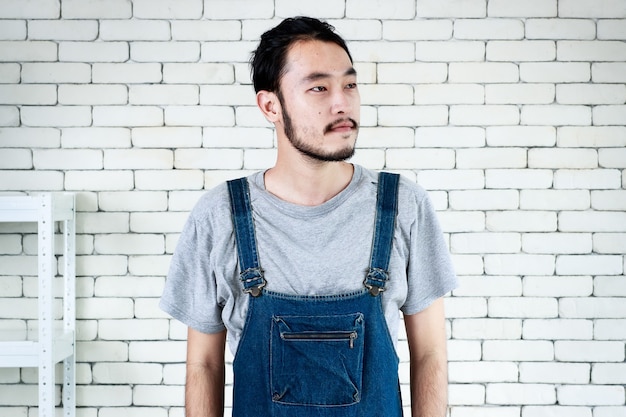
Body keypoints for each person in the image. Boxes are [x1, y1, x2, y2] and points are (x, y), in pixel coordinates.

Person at [160, 16, 457, 417]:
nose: (342, 103)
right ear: (270, 106)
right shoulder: (219, 216)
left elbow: (431, 356)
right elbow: (204, 365)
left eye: (349, 85)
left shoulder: (403, 206)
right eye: (319, 87)